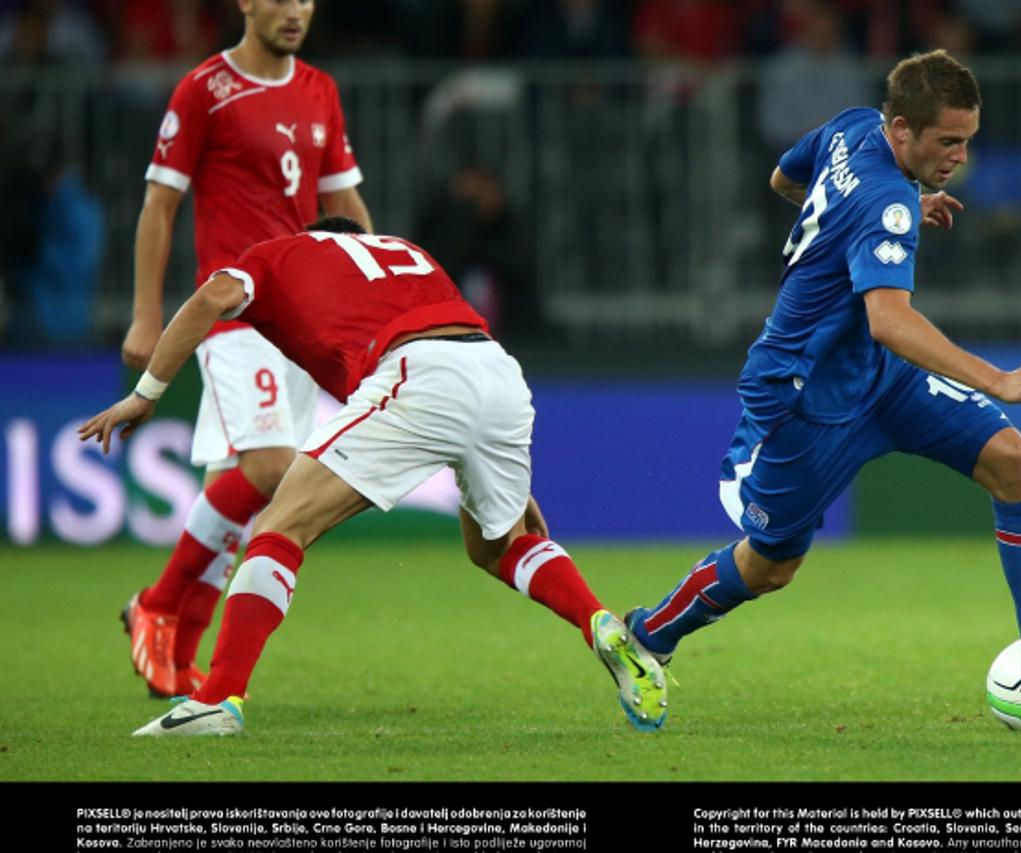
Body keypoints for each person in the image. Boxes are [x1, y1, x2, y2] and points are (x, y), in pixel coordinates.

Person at [624, 49, 1021, 715]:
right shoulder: (886, 201)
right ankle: (647, 634)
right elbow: (889, 321)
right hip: (804, 398)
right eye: (947, 141)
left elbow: (784, 178)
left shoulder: (850, 128)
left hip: (882, 381)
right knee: (771, 564)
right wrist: (999, 379)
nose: (960, 154)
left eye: (968, 139)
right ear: (901, 129)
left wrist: (868, 219)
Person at [80, 217, 669, 736]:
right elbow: (459, 382)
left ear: (318, 237)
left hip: (417, 368)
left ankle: (216, 699)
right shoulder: (405, 254)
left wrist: (146, 394)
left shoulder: (284, 253)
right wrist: (513, 486)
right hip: (497, 370)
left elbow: (212, 296)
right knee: (502, 546)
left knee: (281, 526)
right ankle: (599, 621)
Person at [119, 0, 373, 700]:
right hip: (234, 312)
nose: (296, 11)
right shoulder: (205, 89)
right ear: (246, 2)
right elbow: (159, 204)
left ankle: (174, 648)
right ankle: (159, 605)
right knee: (269, 471)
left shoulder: (320, 88)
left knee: (233, 498)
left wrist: (378, 295)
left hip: (301, 321)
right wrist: (147, 315)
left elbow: (344, 207)